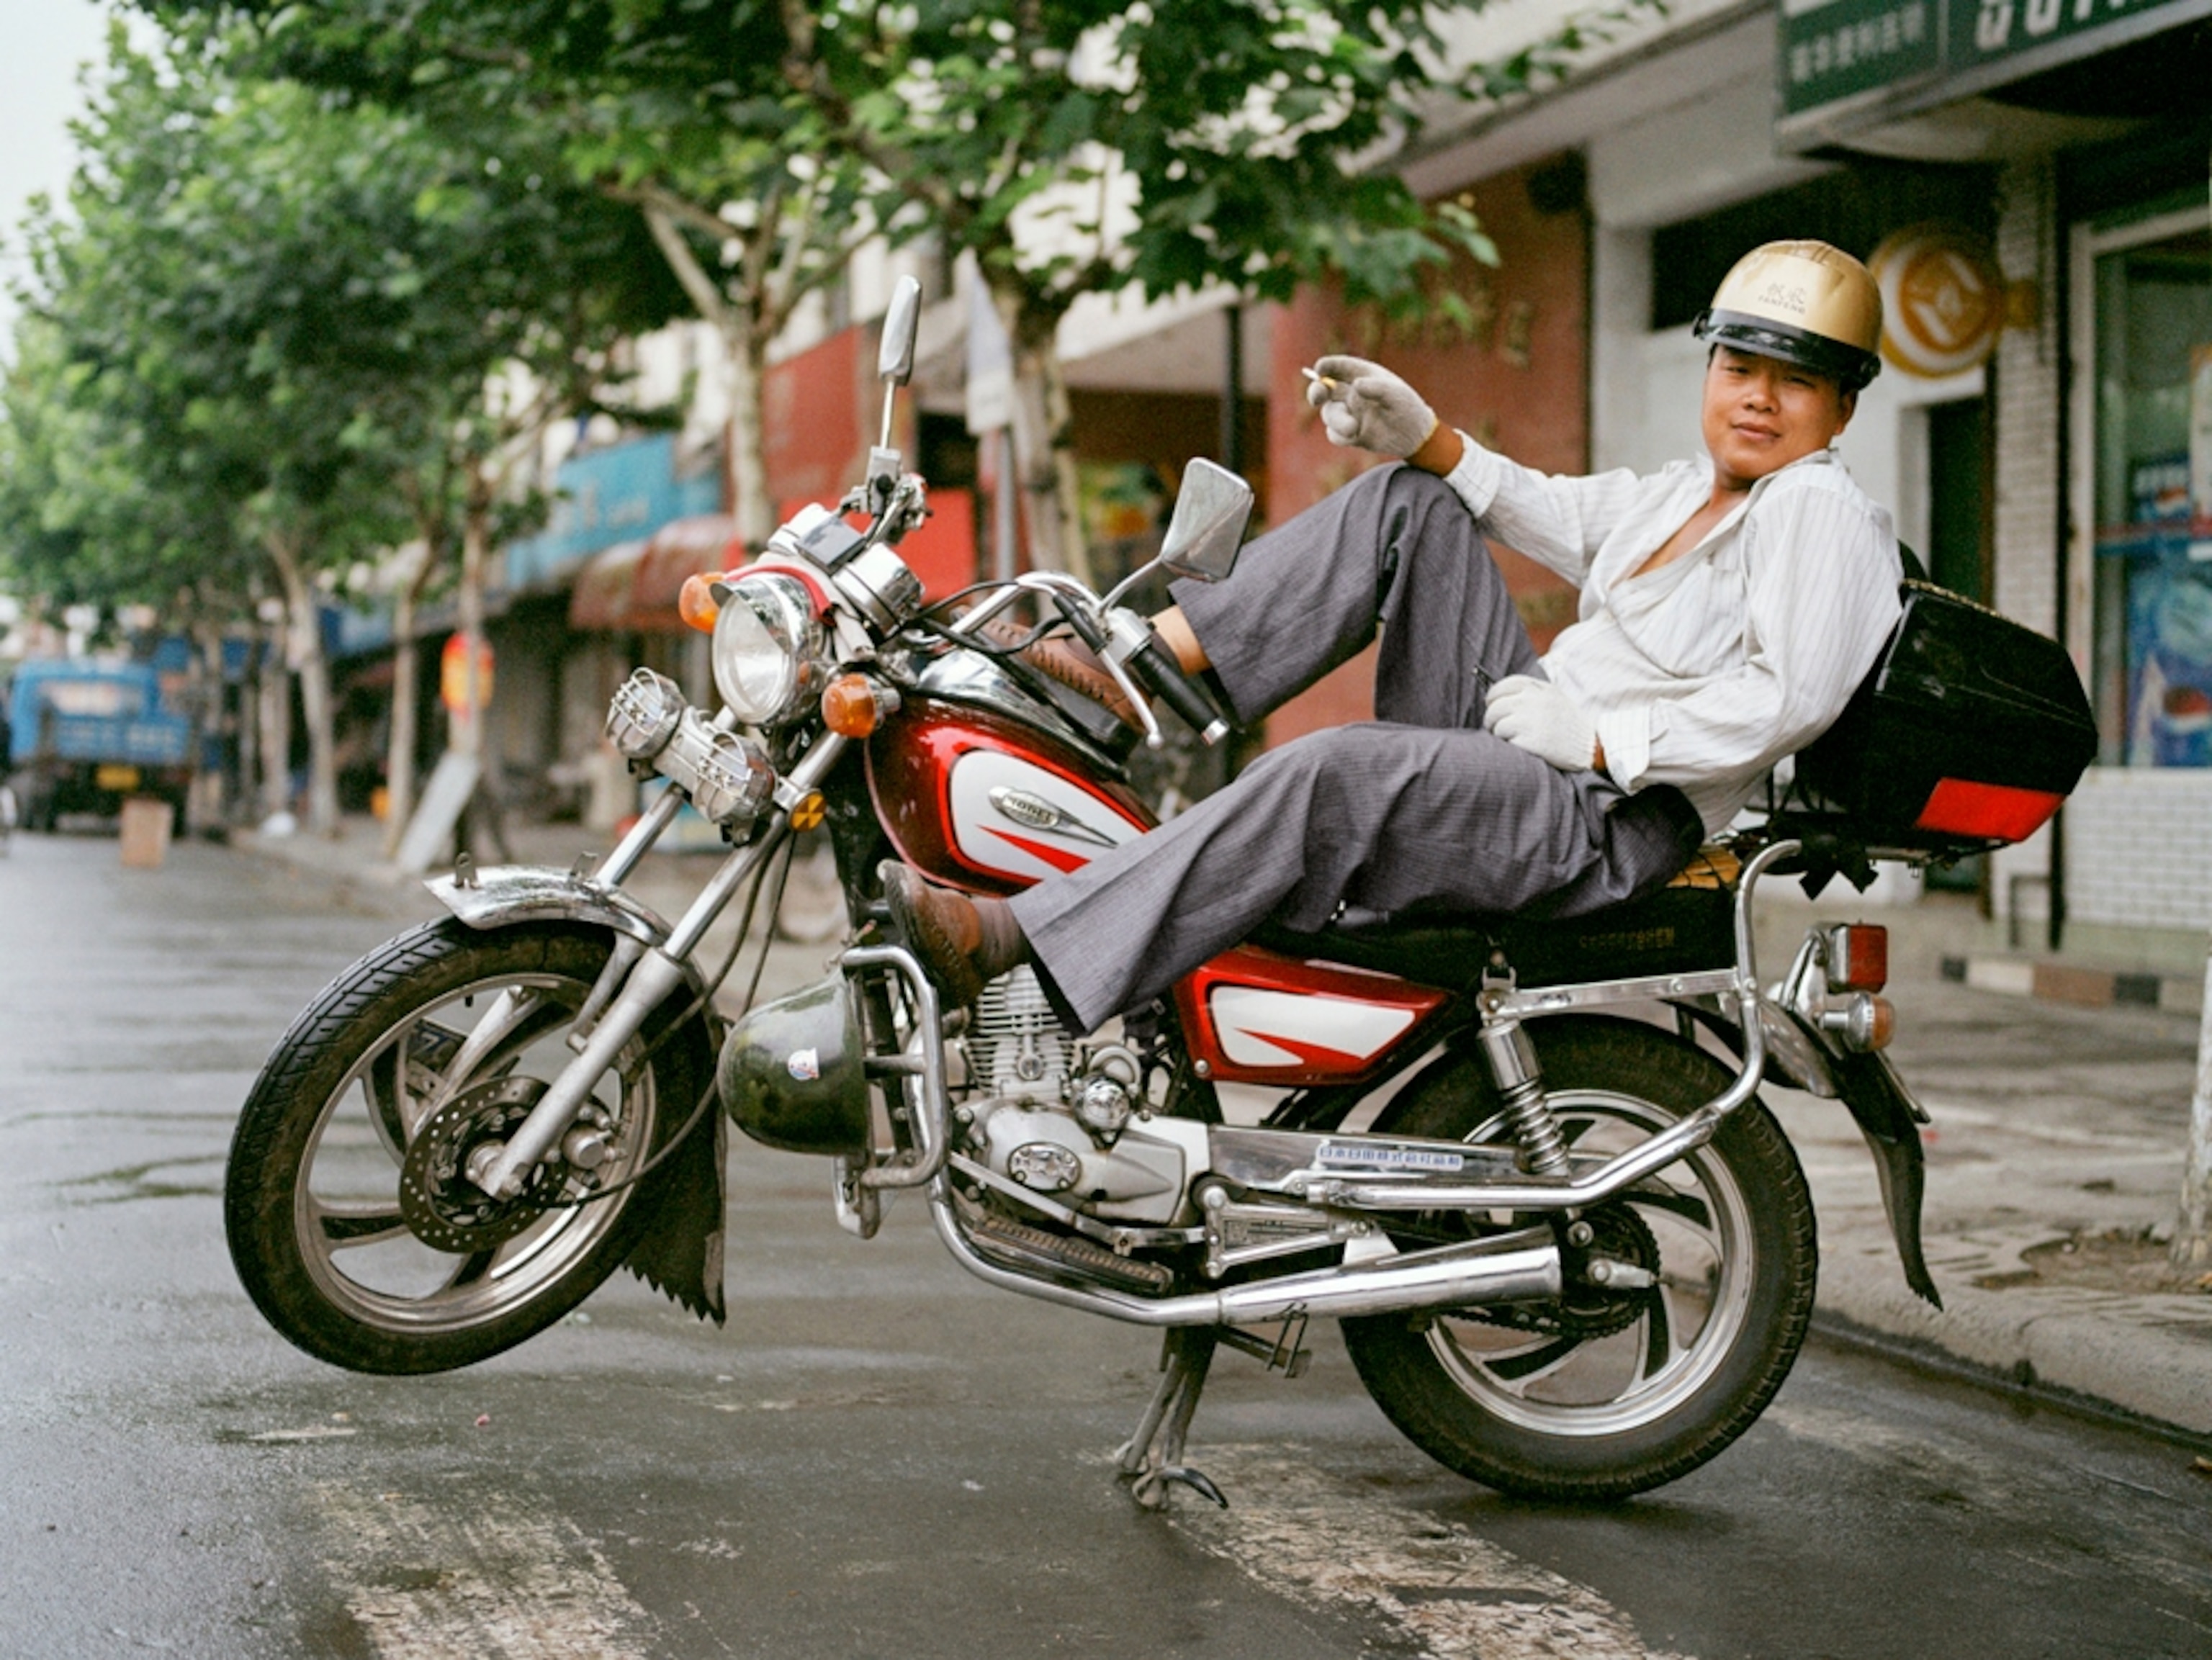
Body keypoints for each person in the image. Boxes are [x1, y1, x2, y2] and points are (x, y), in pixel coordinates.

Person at [884, 239, 1905, 1031]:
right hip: (1531, 753)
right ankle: (1142, 665)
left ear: (1843, 409)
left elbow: (1789, 699)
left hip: (1600, 812)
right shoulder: (1686, 492)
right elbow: (1542, 506)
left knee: (1332, 770)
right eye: (1740, 365)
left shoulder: (1813, 508)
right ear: (1711, 370)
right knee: (1414, 500)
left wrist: (1598, 740)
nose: (1759, 397)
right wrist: (1426, 436)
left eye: (1797, 380)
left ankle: (1018, 937)